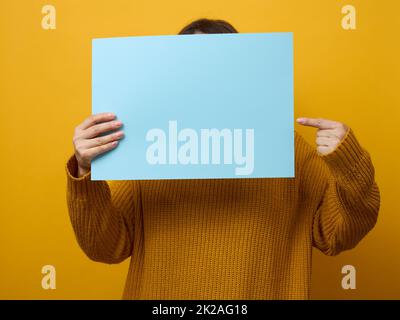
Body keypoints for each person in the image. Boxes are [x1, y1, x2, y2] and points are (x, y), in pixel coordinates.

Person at [65, 18, 380, 299]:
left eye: (216, 63)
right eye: (190, 65)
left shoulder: (287, 147)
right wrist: (85, 171)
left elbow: (339, 235)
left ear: (240, 73)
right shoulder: (151, 148)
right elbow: (106, 247)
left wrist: (349, 163)